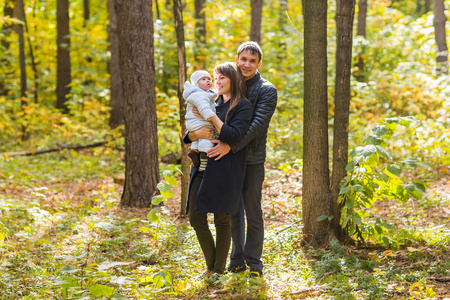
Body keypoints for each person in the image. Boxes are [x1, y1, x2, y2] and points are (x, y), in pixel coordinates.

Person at [194, 42, 278, 277]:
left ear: (259, 64)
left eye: (252, 61)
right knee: (232, 210)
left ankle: (254, 263)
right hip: (227, 159)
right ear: (237, 59)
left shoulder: (266, 89)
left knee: (252, 209)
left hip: (250, 160)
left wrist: (230, 146)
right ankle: (236, 259)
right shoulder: (228, 83)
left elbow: (257, 126)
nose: (247, 64)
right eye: (243, 59)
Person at [185, 62, 252, 281]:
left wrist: (211, 116)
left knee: (222, 220)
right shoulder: (209, 100)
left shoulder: (242, 105)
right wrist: (193, 135)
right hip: (200, 168)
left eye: (222, 78)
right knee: (196, 217)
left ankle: (217, 270)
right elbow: (189, 131)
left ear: (233, 79)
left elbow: (233, 135)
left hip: (225, 169)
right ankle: (212, 265)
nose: (218, 82)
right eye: (216, 78)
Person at [184, 70, 217, 168]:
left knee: (199, 139)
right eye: (203, 79)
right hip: (198, 122)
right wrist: (210, 116)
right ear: (196, 83)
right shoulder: (200, 94)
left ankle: (194, 151)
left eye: (209, 79)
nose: (208, 81)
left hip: (193, 124)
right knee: (207, 137)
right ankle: (203, 159)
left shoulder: (201, 93)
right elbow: (204, 108)